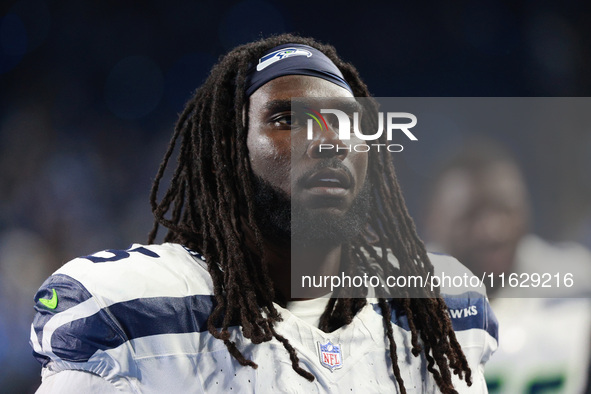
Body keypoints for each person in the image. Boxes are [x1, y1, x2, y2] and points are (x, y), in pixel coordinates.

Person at [30, 34, 497, 393]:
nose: (329, 140)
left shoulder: (437, 308)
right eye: (287, 120)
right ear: (228, 154)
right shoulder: (133, 314)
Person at [423, 140, 591, 393]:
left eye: (506, 210)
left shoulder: (575, 283)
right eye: (472, 215)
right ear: (434, 220)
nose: (494, 230)